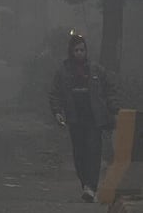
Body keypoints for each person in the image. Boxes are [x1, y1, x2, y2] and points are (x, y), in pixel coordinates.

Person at [49, 34, 119, 203]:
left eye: (82, 50)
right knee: (79, 154)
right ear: (71, 52)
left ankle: (91, 187)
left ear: (86, 51)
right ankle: (85, 184)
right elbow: (55, 94)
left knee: (94, 152)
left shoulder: (96, 70)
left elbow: (110, 89)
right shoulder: (63, 71)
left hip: (94, 119)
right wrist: (57, 112)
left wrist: (114, 107)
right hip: (75, 118)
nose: (79, 53)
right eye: (76, 50)